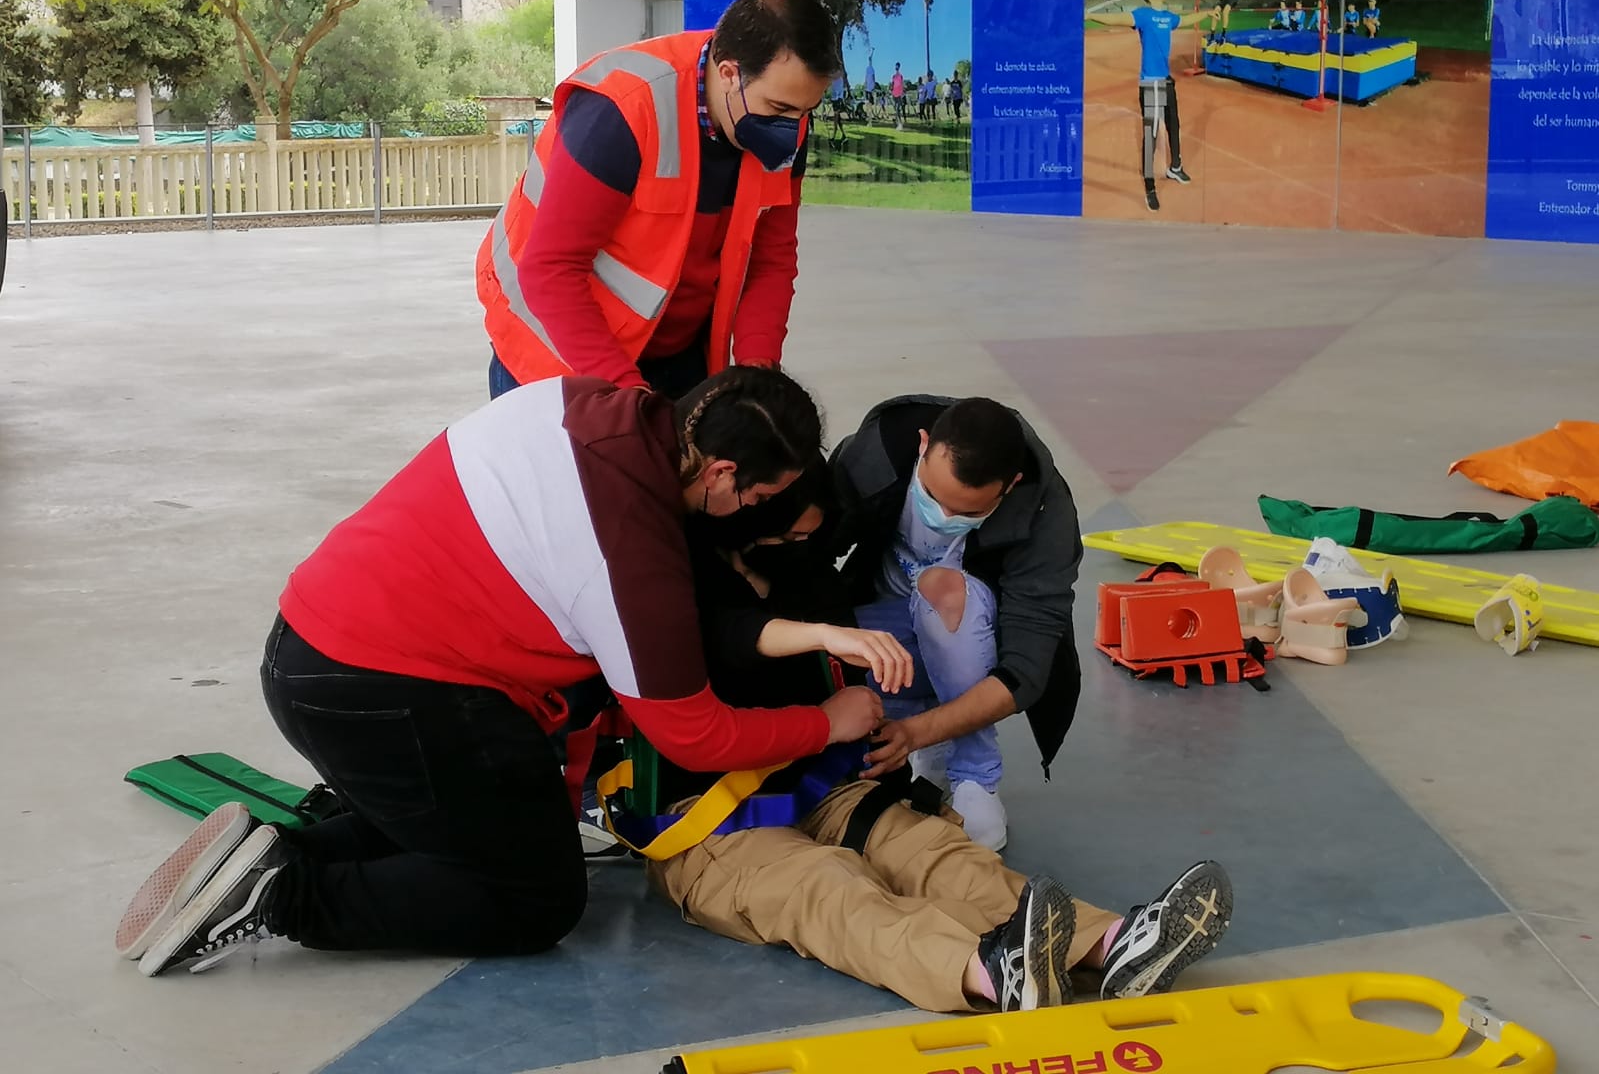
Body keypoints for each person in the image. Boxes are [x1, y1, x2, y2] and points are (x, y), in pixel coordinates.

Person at [114, 367, 888, 978]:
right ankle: (283, 896)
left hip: (306, 645)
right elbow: (691, 733)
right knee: (532, 898)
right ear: (718, 473)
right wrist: (829, 722)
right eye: (758, 495)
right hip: (386, 695)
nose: (751, 511)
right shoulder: (630, 552)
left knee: (490, 831)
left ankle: (252, 860)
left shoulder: (576, 399)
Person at [655, 478, 1236, 1012]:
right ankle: (987, 971)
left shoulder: (797, 569)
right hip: (705, 819)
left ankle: (1111, 945)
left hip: (816, 784)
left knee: (934, 855)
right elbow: (716, 667)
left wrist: (874, 738)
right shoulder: (660, 590)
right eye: (787, 529)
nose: (799, 540)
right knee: (828, 889)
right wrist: (826, 714)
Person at [476, 0, 839, 402]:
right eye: (779, 110)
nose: (794, 127)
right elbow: (551, 269)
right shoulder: (620, 109)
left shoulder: (783, 115)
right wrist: (630, 399)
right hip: (554, 353)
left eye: (806, 111)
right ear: (728, 73)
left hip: (677, 351)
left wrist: (756, 376)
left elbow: (771, 259)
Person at [824, 396, 1083, 852]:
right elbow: (808, 552)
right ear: (923, 446)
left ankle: (975, 776)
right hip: (886, 630)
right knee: (819, 642)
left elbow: (1025, 668)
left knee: (941, 586)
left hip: (973, 637)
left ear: (1011, 486)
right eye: (931, 497)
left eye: (967, 514)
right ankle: (928, 747)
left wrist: (915, 733)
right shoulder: (876, 453)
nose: (944, 518)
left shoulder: (1046, 513)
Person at [1086, 0, 1214, 213]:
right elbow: (1117, 19)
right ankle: (1150, 187)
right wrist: (1090, 15)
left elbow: (1186, 20)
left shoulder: (1167, 17)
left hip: (1167, 81)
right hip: (1150, 83)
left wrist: (1207, 14)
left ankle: (1175, 167)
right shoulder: (1143, 16)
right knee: (1151, 136)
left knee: (1173, 125)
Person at [891, 61, 907, 127]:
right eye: (895, 66)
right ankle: (898, 122)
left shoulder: (900, 76)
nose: (896, 67)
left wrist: (903, 91)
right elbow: (892, 85)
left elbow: (902, 85)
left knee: (898, 109)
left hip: (899, 95)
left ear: (899, 67)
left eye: (897, 66)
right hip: (894, 95)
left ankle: (900, 124)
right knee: (896, 109)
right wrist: (891, 90)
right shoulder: (893, 76)